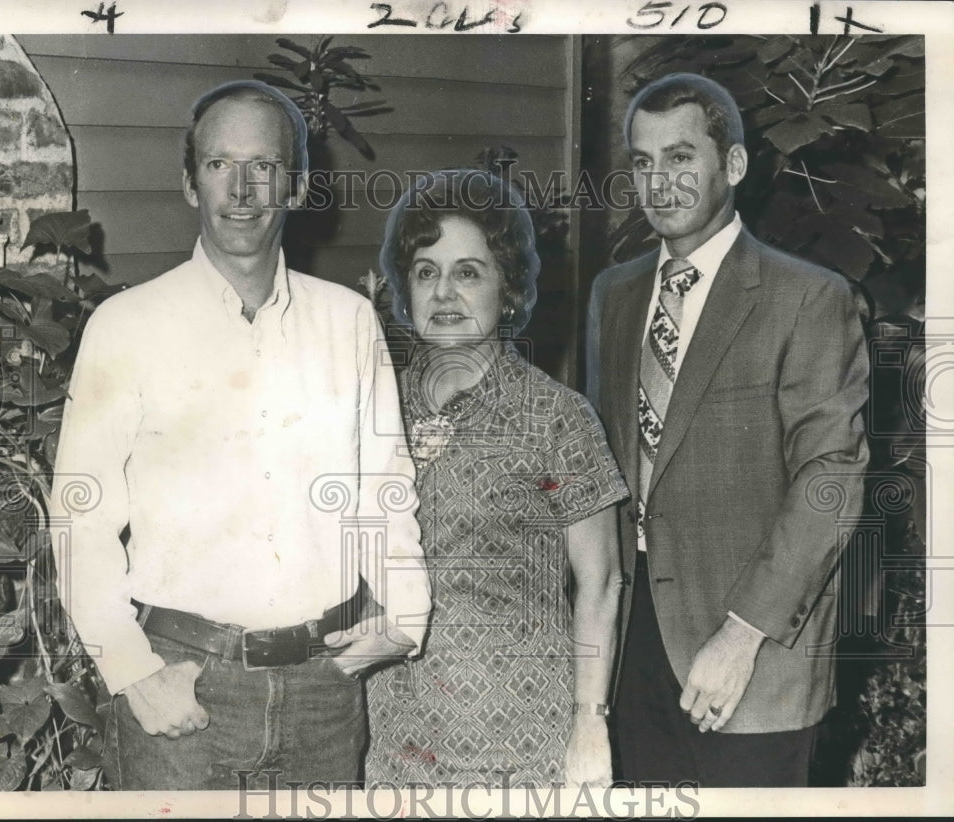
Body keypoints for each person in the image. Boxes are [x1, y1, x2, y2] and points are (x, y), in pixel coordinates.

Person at [49, 80, 431, 790]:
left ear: (298, 184)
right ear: (190, 183)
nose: (243, 188)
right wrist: (132, 671)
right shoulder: (127, 327)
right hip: (183, 684)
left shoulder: (346, 321)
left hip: (324, 689)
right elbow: (80, 516)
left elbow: (386, 484)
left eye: (265, 166)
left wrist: (404, 611)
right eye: (220, 164)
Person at [586, 73, 870, 787]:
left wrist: (743, 633)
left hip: (754, 657)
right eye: (643, 163)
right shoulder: (613, 295)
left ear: (734, 166)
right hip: (632, 651)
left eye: (680, 157)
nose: (659, 182)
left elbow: (829, 480)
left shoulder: (808, 298)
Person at [364, 169, 629, 788]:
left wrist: (590, 722)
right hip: (395, 740)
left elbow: (602, 581)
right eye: (426, 271)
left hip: (520, 744)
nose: (444, 292)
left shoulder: (556, 417)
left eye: (468, 271)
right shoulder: (375, 409)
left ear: (506, 288)